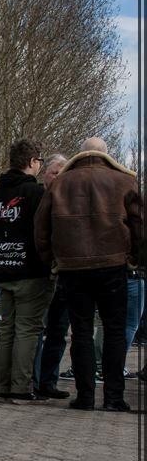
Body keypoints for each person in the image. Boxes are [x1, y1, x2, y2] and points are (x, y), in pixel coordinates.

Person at [35, 137, 143, 412]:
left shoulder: (60, 183)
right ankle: (114, 398)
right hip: (113, 265)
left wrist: (53, 262)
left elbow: (41, 228)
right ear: (106, 155)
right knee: (115, 332)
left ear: (80, 155)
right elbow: (140, 225)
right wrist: (134, 260)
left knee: (80, 332)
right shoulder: (124, 182)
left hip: (73, 268)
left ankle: (85, 397)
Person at [0, 138, 53, 405]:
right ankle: (20, 389)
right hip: (30, 272)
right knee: (27, 330)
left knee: (6, 330)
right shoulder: (35, 193)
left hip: (2, 269)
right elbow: (44, 233)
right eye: (40, 162)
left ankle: (3, 388)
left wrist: (0, 256)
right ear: (33, 162)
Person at [32, 153, 71, 399]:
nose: (58, 177)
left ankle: (49, 381)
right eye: (54, 172)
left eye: (62, 173)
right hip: (40, 275)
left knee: (59, 332)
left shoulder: (69, 200)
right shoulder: (35, 197)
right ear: (45, 173)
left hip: (64, 277)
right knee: (37, 330)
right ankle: (34, 380)